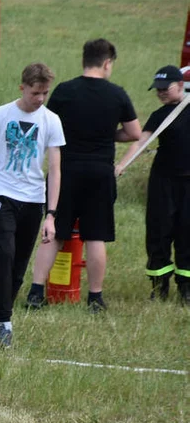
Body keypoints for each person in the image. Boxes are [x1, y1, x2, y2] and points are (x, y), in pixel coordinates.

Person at [27, 39, 141, 313]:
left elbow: (47, 124)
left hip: (66, 170)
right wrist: (107, 134)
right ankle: (95, 298)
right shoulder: (117, 94)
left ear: (83, 61)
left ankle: (36, 292)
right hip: (100, 172)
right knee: (95, 236)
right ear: (106, 63)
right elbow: (135, 133)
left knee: (53, 232)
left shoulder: (65, 91)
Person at [0, 63, 64, 347]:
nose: (40, 98)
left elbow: (55, 169)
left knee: (19, 266)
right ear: (22, 88)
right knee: (6, 254)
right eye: (35, 93)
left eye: (45, 93)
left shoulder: (51, 120)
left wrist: (51, 215)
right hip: (2, 195)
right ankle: (4, 324)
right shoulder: (1, 115)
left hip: (34, 200)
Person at [116, 65, 190, 303]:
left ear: (180, 85)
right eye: (156, 89)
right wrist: (121, 165)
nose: (160, 93)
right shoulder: (160, 115)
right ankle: (159, 287)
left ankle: (186, 289)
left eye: (164, 88)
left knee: (187, 234)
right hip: (163, 182)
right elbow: (140, 143)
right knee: (159, 233)